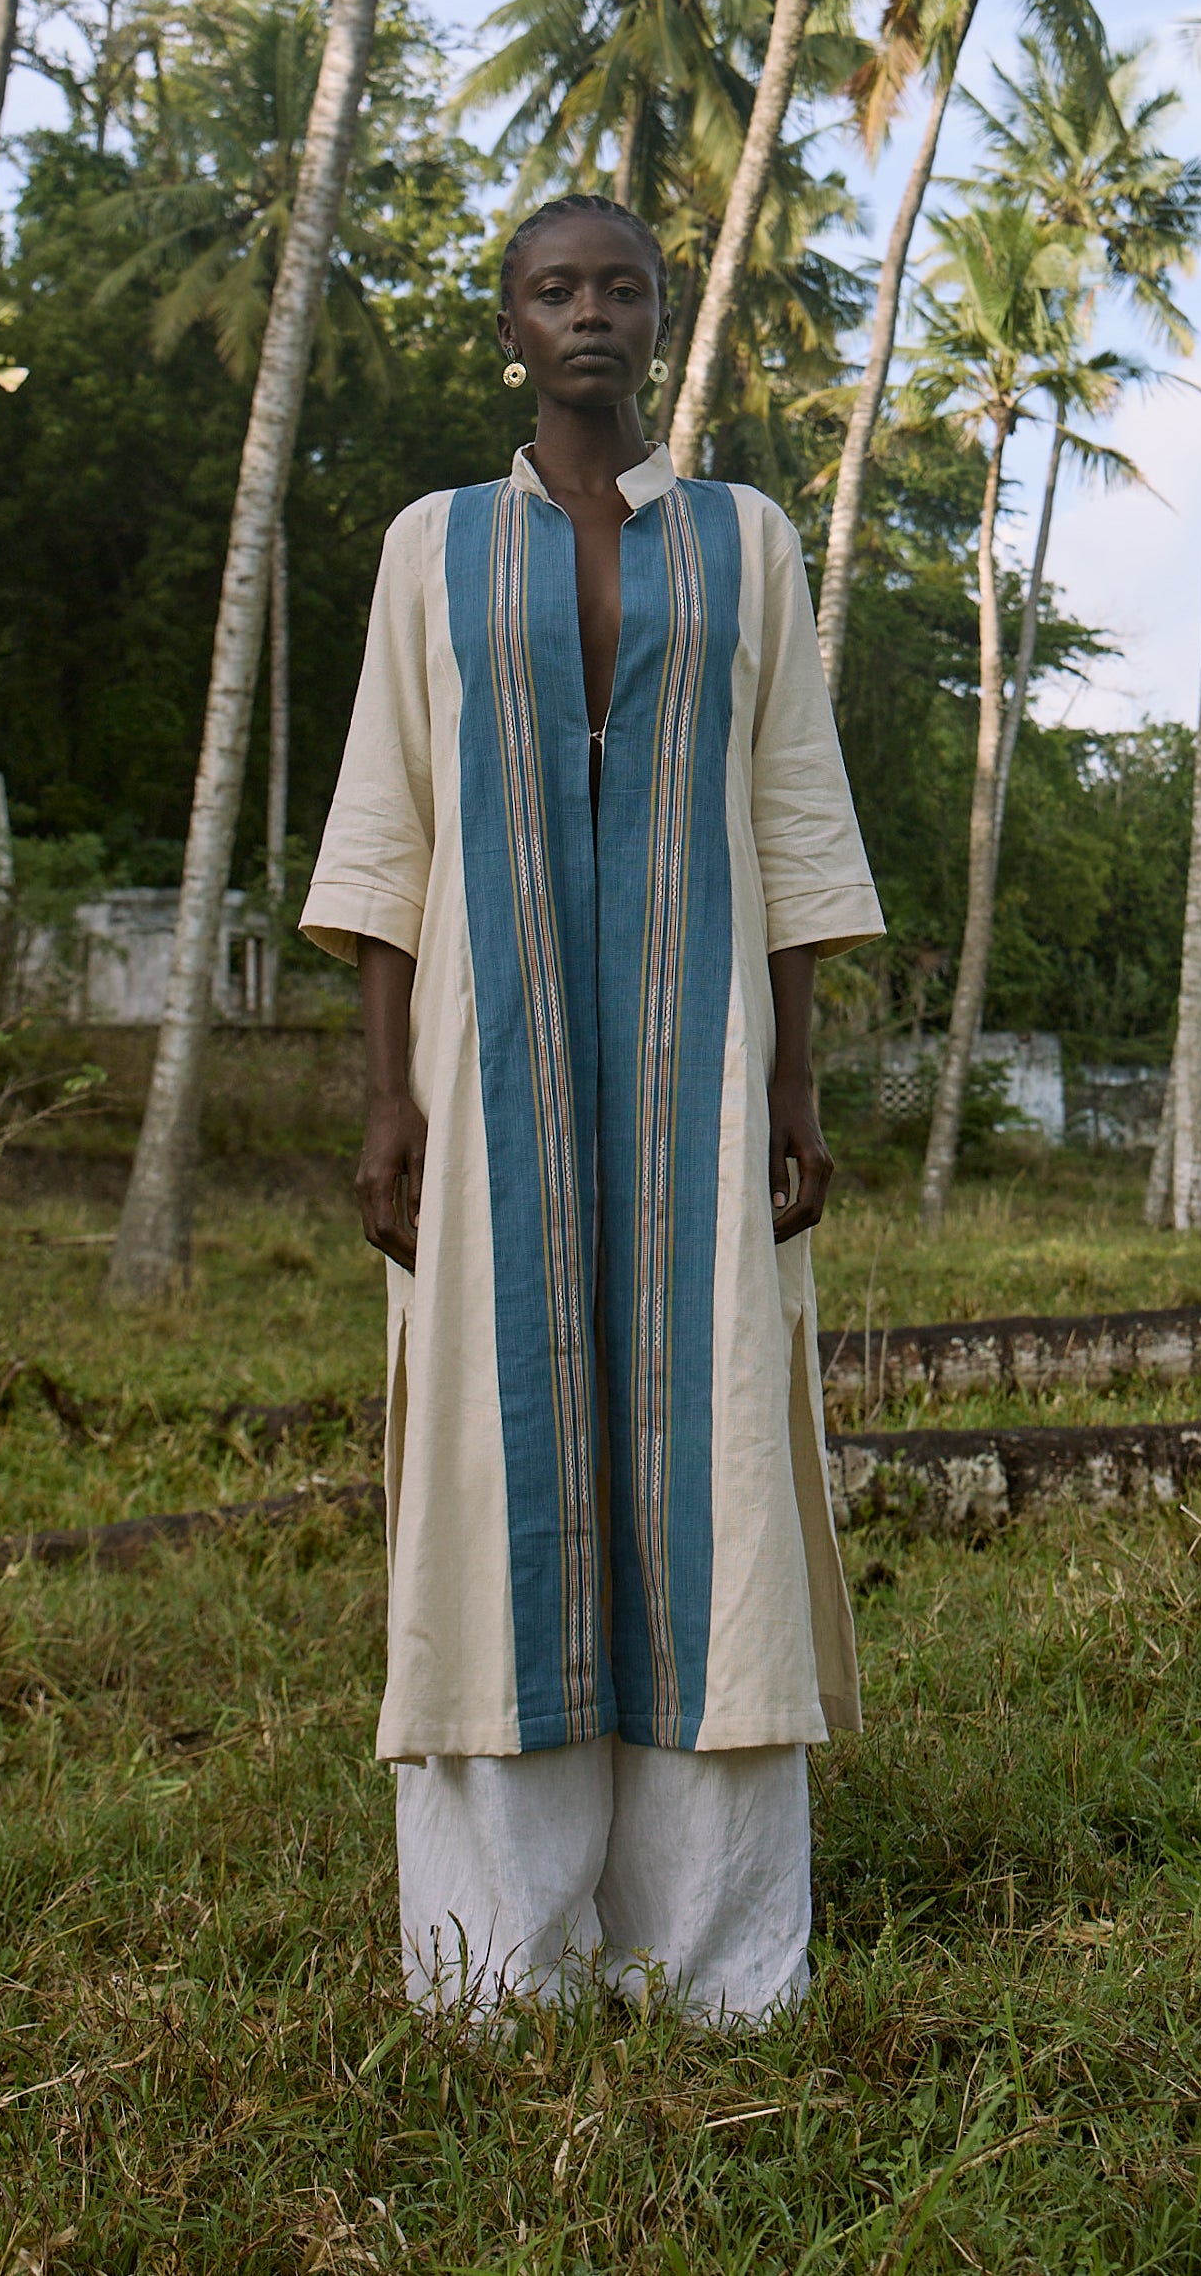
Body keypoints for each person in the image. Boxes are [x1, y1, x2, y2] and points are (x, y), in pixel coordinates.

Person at [300, 191, 882, 2028]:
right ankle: (496, 1963)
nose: (590, 316)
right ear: (509, 323)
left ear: (660, 314)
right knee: (496, 1464)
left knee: (705, 1453)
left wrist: (795, 1069)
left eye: (621, 286)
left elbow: (792, 812)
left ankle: (713, 1964)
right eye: (555, 289)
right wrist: (384, 1091)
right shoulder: (433, 547)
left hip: (705, 1080)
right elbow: (386, 824)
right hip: (486, 1083)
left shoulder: (749, 543)